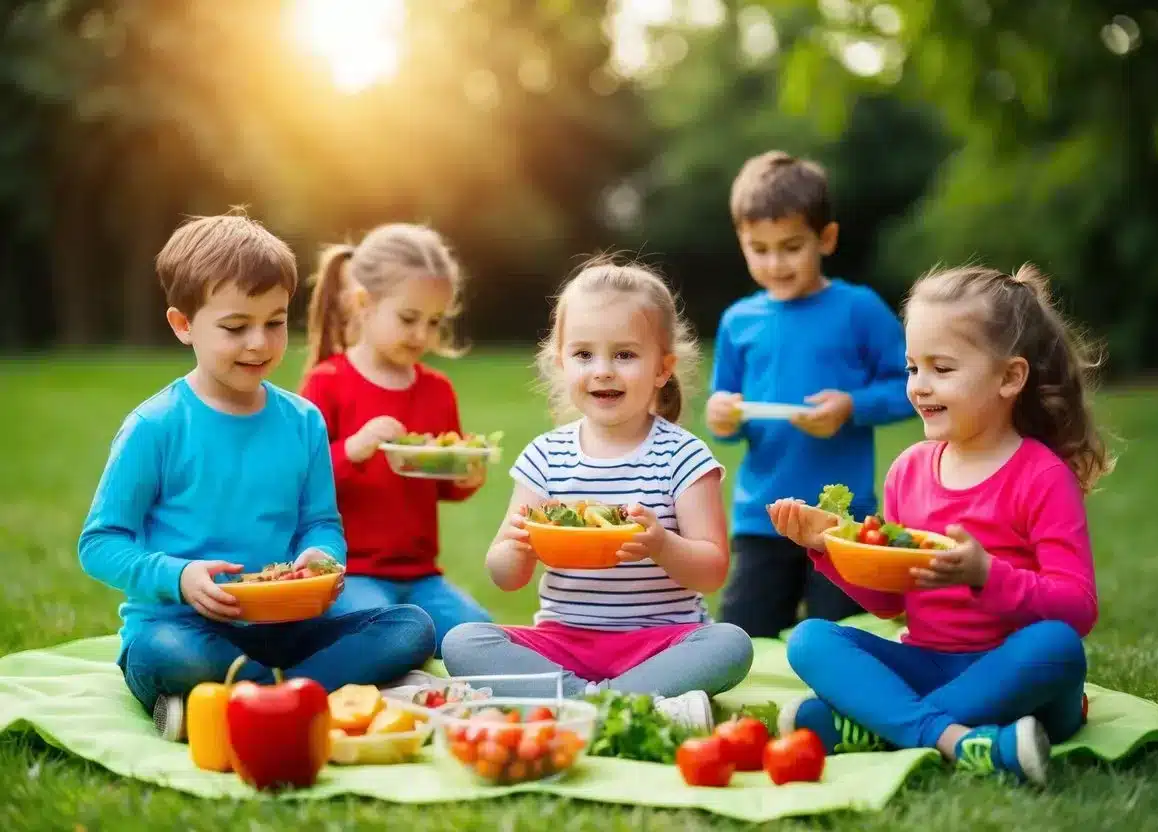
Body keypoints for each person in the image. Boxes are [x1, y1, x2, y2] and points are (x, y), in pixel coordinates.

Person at [78, 212, 436, 741]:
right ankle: (306, 696)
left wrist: (323, 558)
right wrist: (178, 576)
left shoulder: (303, 421)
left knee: (411, 627)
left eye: (275, 321)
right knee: (164, 656)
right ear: (182, 325)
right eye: (235, 327)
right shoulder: (154, 426)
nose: (259, 343)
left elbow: (319, 522)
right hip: (182, 625)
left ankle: (251, 701)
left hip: (283, 625)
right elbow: (100, 543)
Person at [770, 263, 1114, 785]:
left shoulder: (1043, 476)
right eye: (911, 368)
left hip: (1018, 677)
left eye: (942, 369)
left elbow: (1077, 610)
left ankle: (883, 725)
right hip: (927, 660)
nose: (919, 386)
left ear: (1009, 377)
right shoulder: (909, 470)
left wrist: (985, 575)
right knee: (810, 639)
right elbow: (892, 603)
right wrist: (829, 547)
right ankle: (961, 740)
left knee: (1058, 647)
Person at [441, 257, 753, 731]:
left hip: (661, 642)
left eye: (625, 355)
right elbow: (504, 576)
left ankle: (581, 704)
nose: (603, 370)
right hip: (564, 641)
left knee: (730, 645)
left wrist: (661, 544)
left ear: (662, 368)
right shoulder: (545, 457)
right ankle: (609, 703)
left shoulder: (682, 457)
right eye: (584, 354)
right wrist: (519, 546)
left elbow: (712, 571)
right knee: (462, 643)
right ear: (561, 361)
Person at [706, 150, 916, 638]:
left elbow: (911, 386)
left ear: (826, 238)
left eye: (791, 246)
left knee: (841, 636)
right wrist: (723, 418)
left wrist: (852, 406)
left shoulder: (858, 309)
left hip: (840, 520)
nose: (775, 263)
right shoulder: (738, 321)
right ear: (741, 242)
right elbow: (728, 417)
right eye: (759, 249)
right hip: (762, 518)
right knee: (742, 637)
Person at [298, 223, 492, 656]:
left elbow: (441, 484)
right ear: (364, 303)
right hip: (349, 573)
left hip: (422, 578)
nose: (421, 335)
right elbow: (298, 481)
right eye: (409, 319)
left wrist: (465, 476)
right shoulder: (327, 384)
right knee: (392, 634)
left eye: (434, 322)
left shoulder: (437, 390)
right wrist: (353, 449)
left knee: (482, 637)